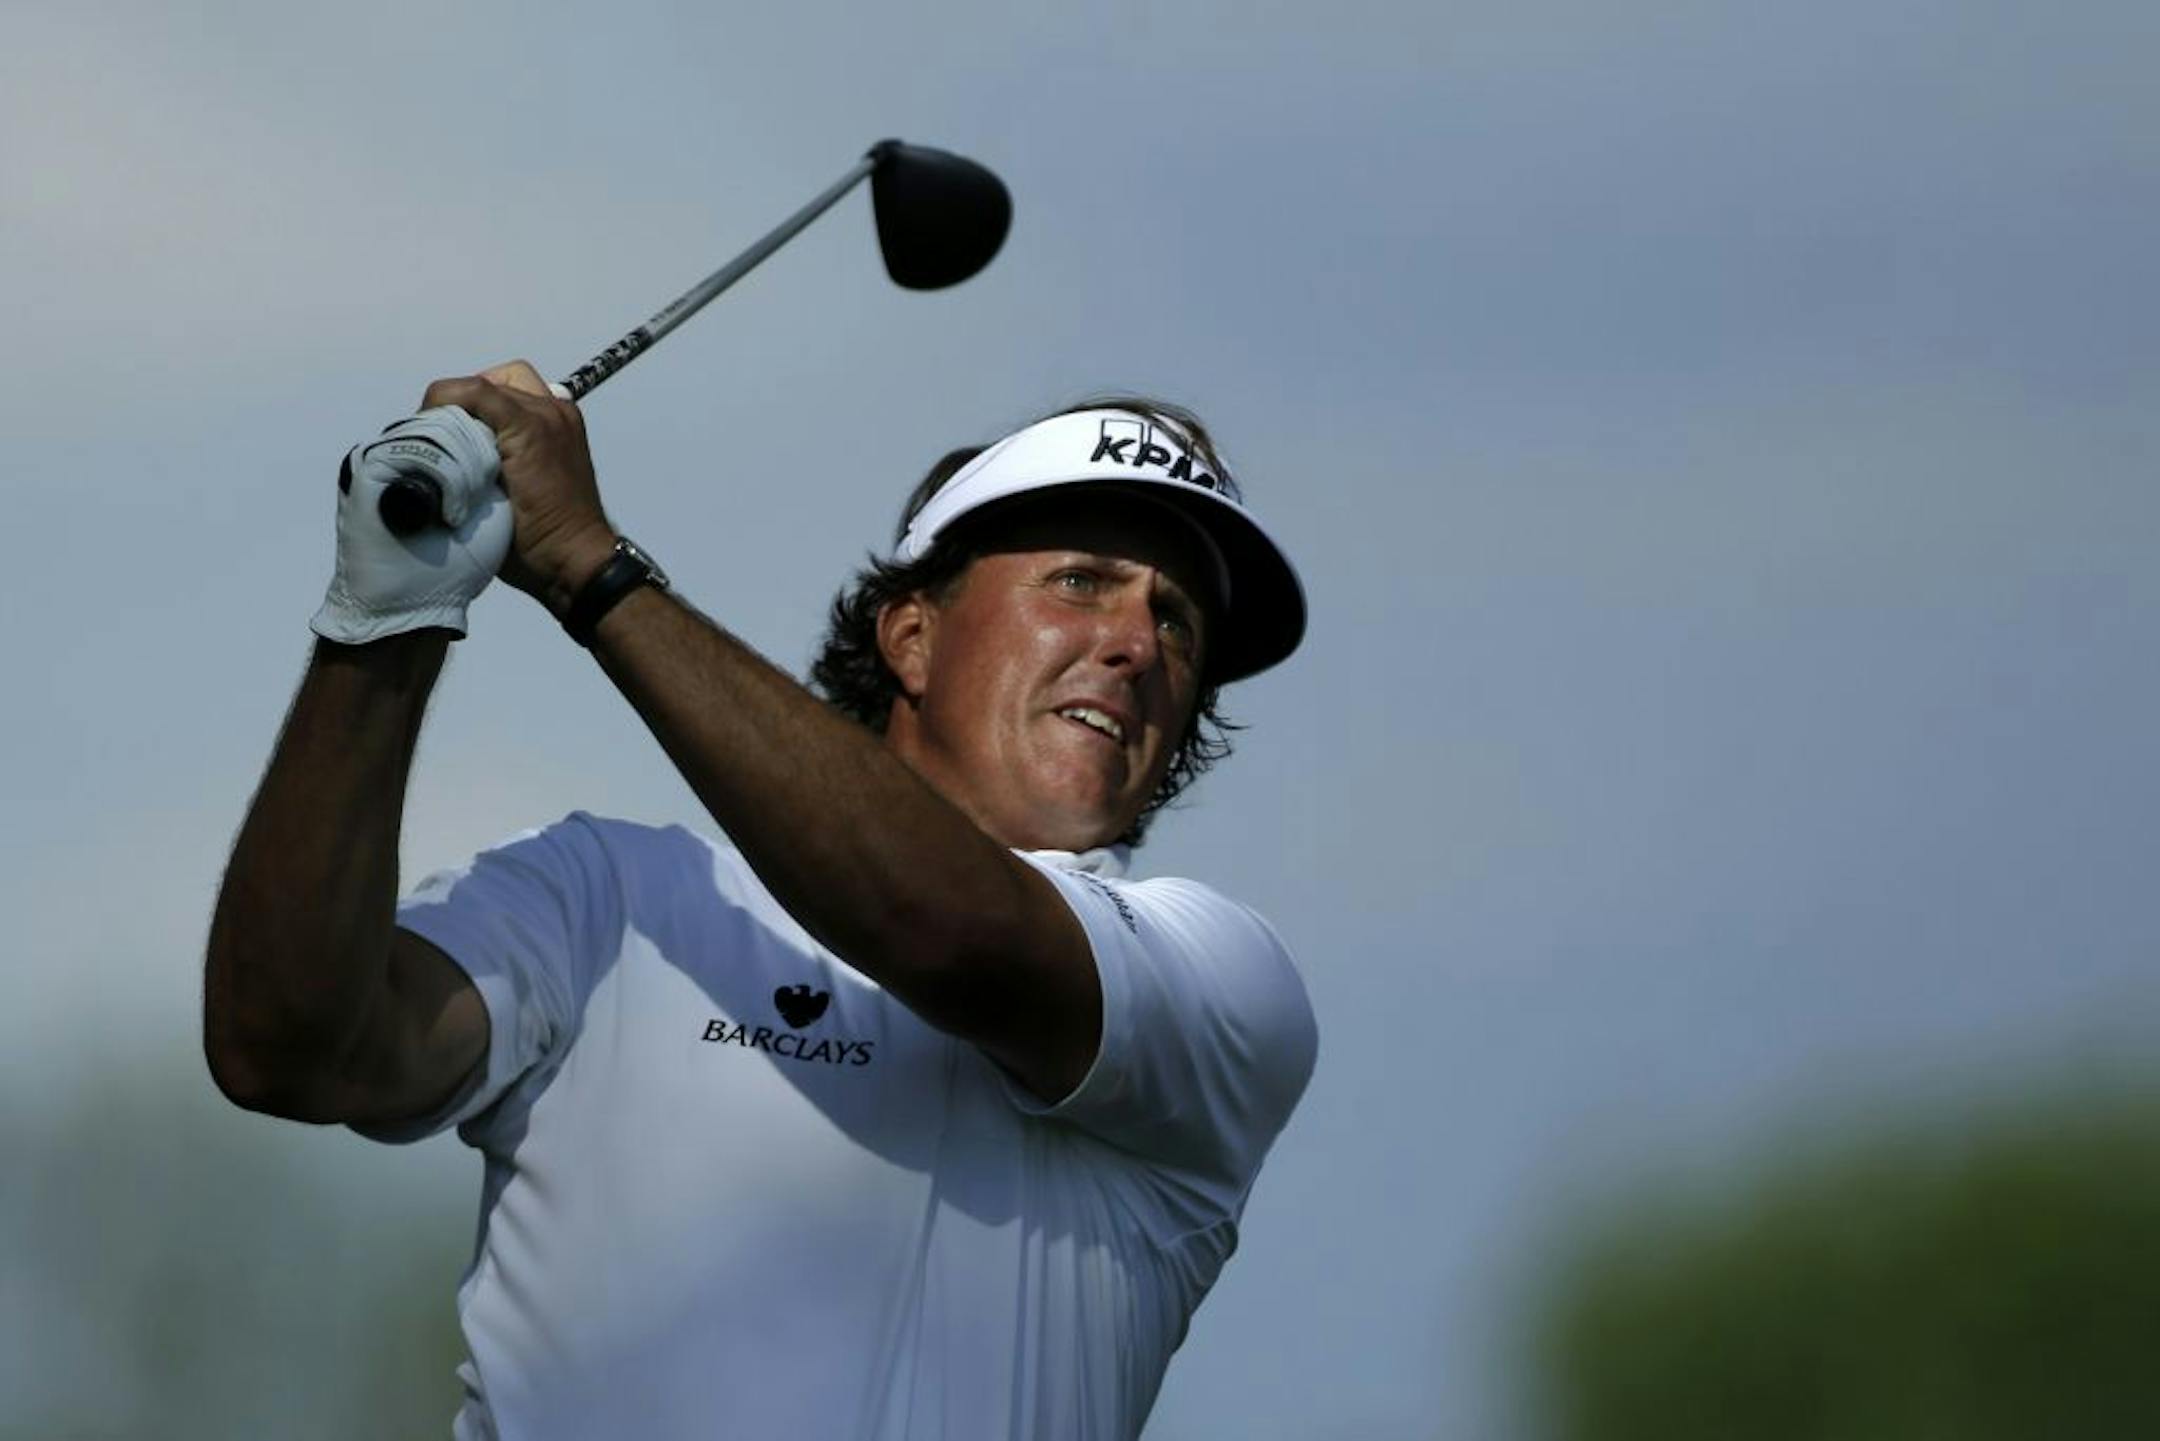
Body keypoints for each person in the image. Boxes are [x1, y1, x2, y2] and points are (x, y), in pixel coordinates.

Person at [203, 362, 1318, 1440]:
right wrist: (383, 626)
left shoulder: (1219, 978)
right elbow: (289, 1049)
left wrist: (590, 566)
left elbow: (943, 924)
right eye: (1080, 581)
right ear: (912, 636)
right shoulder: (609, 894)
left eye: (1176, 621)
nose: (1135, 644)